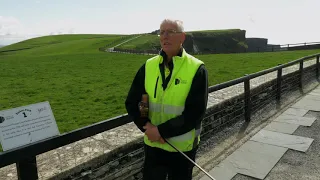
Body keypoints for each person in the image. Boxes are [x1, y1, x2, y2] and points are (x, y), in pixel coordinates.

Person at [125, 19, 208, 180]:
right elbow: (138, 100)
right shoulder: (148, 66)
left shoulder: (197, 69)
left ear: (182, 37)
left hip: (182, 150)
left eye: (170, 32)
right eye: (161, 32)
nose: (165, 36)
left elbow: (195, 113)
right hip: (154, 147)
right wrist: (146, 126)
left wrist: (161, 131)